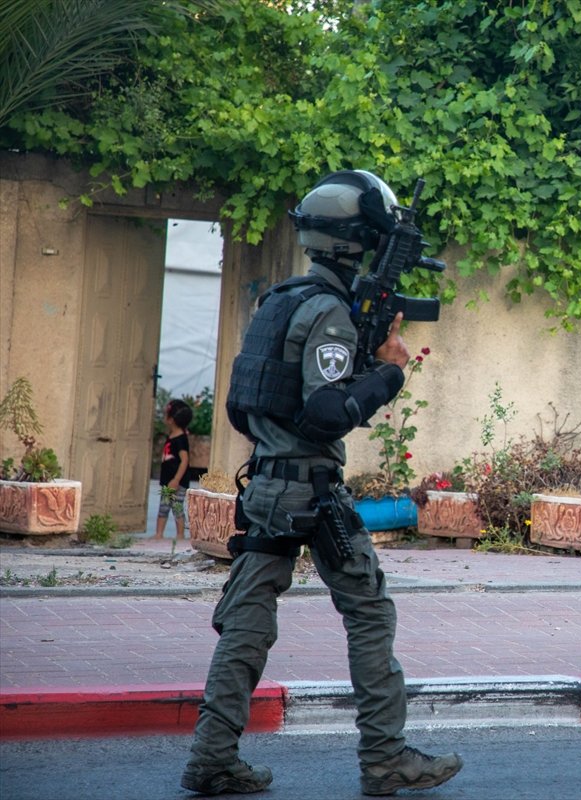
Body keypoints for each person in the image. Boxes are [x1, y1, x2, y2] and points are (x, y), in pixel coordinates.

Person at [182, 170, 463, 796]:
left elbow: (244, 405)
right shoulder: (331, 312)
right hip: (311, 491)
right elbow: (324, 413)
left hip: (268, 487)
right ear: (358, 241)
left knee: (247, 623)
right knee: (368, 611)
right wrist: (388, 373)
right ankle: (386, 759)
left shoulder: (281, 300)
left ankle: (212, 756)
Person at [154, 399, 192, 539]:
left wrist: (176, 480)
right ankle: (158, 534)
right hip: (167, 480)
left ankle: (180, 535)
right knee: (163, 507)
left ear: (171, 420)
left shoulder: (181, 439)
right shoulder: (171, 436)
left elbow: (185, 460)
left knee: (177, 507)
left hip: (177, 482)